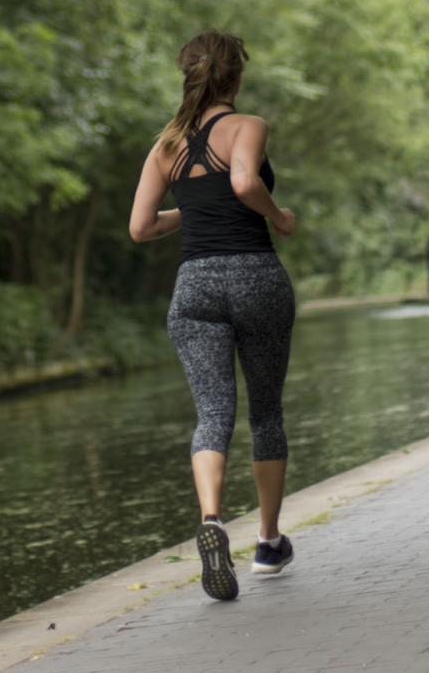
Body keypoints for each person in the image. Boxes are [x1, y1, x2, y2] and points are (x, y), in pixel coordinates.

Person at [127, 30, 300, 603]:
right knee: (266, 411)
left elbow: (141, 227)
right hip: (254, 276)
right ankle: (269, 543)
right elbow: (246, 181)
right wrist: (278, 216)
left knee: (213, 412)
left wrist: (193, 210)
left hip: (194, 286)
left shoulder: (167, 146)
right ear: (236, 77)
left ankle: (210, 519)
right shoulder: (246, 126)